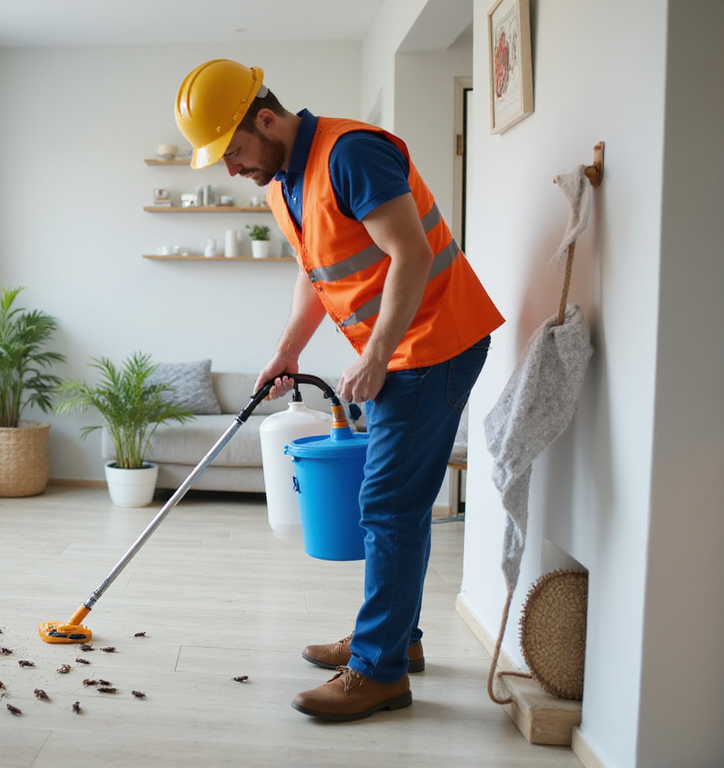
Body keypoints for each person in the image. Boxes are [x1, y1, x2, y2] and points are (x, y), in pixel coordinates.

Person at [174, 59, 504, 722]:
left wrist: (377, 353)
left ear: (266, 120)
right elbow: (315, 273)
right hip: (404, 345)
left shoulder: (351, 154)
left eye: (234, 151)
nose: (232, 169)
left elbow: (410, 253)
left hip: (435, 339)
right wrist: (287, 350)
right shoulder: (281, 182)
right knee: (399, 503)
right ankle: (394, 641)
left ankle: (378, 670)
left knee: (386, 503)